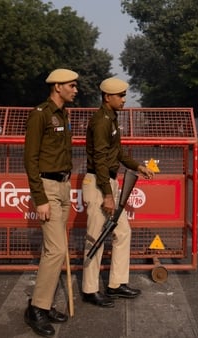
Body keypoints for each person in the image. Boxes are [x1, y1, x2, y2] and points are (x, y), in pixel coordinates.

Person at [81, 77, 155, 307]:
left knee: (122, 232)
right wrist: (108, 194)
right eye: (120, 96)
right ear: (107, 97)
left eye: (124, 95)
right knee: (96, 238)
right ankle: (90, 289)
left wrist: (138, 166)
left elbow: (119, 153)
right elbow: (101, 160)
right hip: (98, 184)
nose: (124, 100)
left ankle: (116, 284)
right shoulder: (101, 122)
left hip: (108, 183)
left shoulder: (111, 119)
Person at [23, 68, 78, 337]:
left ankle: (43, 305)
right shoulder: (39, 115)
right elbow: (30, 159)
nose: (75, 89)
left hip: (64, 185)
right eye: (71, 85)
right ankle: (36, 309)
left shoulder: (63, 114)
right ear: (57, 87)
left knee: (55, 249)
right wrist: (39, 198)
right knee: (56, 250)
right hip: (47, 187)